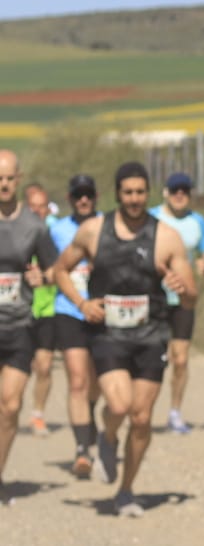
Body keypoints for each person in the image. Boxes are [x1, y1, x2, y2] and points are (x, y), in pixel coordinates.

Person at [52, 162, 194, 517]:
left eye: (140, 192)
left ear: (148, 193)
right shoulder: (93, 231)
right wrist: (82, 303)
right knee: (119, 406)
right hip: (109, 334)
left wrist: (182, 289)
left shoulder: (166, 237)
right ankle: (108, 436)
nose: (134, 199)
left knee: (142, 418)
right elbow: (60, 270)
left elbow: (192, 297)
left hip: (151, 335)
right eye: (128, 192)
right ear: (117, 193)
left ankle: (126, 490)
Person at [0, 152, 57, 502]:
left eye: (9, 178)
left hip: (19, 326)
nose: (3, 185)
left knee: (10, 406)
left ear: (18, 179)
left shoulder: (34, 226)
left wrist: (43, 278)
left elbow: (54, 269)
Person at [149, 171, 204, 433]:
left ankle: (175, 412)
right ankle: (143, 409)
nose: (179, 195)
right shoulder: (151, 217)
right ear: (166, 193)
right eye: (175, 190)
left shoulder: (198, 222)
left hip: (183, 299)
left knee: (181, 359)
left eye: (184, 191)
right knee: (152, 358)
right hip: (154, 298)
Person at [52, 173, 102, 478]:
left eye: (88, 194)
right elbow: (51, 268)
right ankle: (82, 449)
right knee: (77, 380)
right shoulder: (57, 230)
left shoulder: (107, 226)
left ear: (95, 197)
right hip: (69, 310)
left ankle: (91, 412)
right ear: (70, 199)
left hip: (102, 312)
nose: (84, 200)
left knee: (97, 381)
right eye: (78, 195)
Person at [24, 183, 58, 436]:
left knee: (44, 367)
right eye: (33, 206)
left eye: (42, 206)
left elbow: (63, 270)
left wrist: (46, 277)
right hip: (17, 310)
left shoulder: (56, 235)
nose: (38, 211)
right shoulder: (13, 232)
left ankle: (38, 414)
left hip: (47, 309)